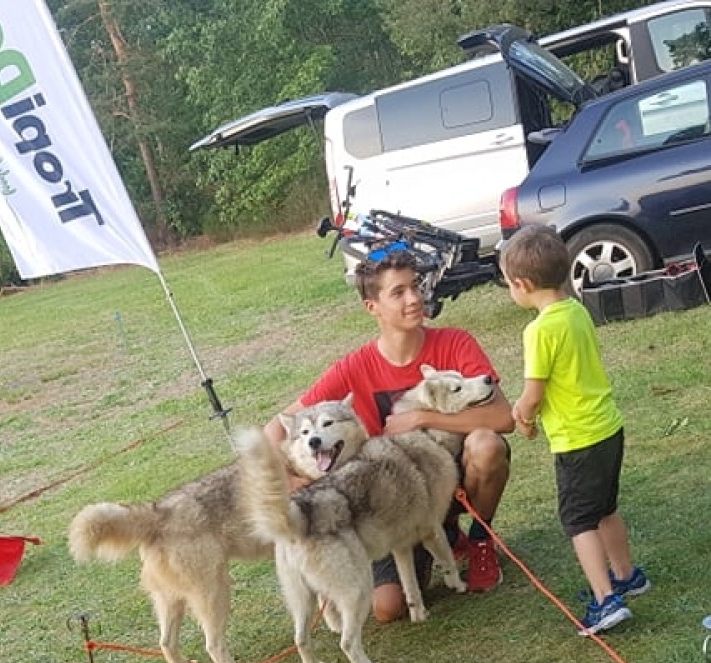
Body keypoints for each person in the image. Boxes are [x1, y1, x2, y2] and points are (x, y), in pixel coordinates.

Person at [266, 250, 514, 622]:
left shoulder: (455, 343)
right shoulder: (354, 367)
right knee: (386, 608)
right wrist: (288, 479)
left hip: (452, 476)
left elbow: (503, 417)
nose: (414, 298)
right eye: (398, 293)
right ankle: (442, 542)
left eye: (415, 287)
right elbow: (275, 428)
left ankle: (480, 541)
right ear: (372, 306)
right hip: (395, 502)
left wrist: (420, 417)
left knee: (487, 445)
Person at [502, 226, 649, 636]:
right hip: (608, 429)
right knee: (606, 509)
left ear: (523, 284)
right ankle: (627, 575)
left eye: (508, 285)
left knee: (578, 520)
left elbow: (534, 393)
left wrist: (524, 417)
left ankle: (606, 600)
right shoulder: (577, 309)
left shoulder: (539, 330)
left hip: (577, 440)